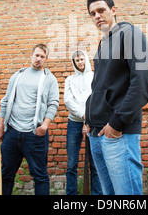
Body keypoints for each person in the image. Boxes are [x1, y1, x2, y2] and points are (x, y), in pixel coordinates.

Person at [85, 0, 148, 195]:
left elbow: (143, 83)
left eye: (101, 10)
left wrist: (117, 123)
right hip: (96, 132)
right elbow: (98, 87)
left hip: (117, 132)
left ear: (113, 10)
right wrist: (88, 118)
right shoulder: (102, 43)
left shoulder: (130, 34)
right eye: (92, 13)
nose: (97, 16)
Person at [0, 44, 59, 195]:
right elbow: (5, 101)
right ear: (31, 55)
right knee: (6, 175)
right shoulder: (18, 75)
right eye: (36, 55)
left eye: (42, 57)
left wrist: (44, 125)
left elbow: (53, 103)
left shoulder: (49, 79)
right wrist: (0, 127)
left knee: (40, 176)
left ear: (46, 59)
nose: (38, 59)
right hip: (12, 132)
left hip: (35, 134)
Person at [64, 50, 101, 195]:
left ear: (86, 59)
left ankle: (97, 194)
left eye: (81, 59)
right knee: (71, 163)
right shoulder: (69, 79)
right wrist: (82, 114)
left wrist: (88, 118)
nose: (80, 62)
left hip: (93, 122)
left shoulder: (94, 76)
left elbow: (96, 97)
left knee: (95, 163)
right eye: (76, 60)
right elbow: (68, 100)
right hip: (74, 122)